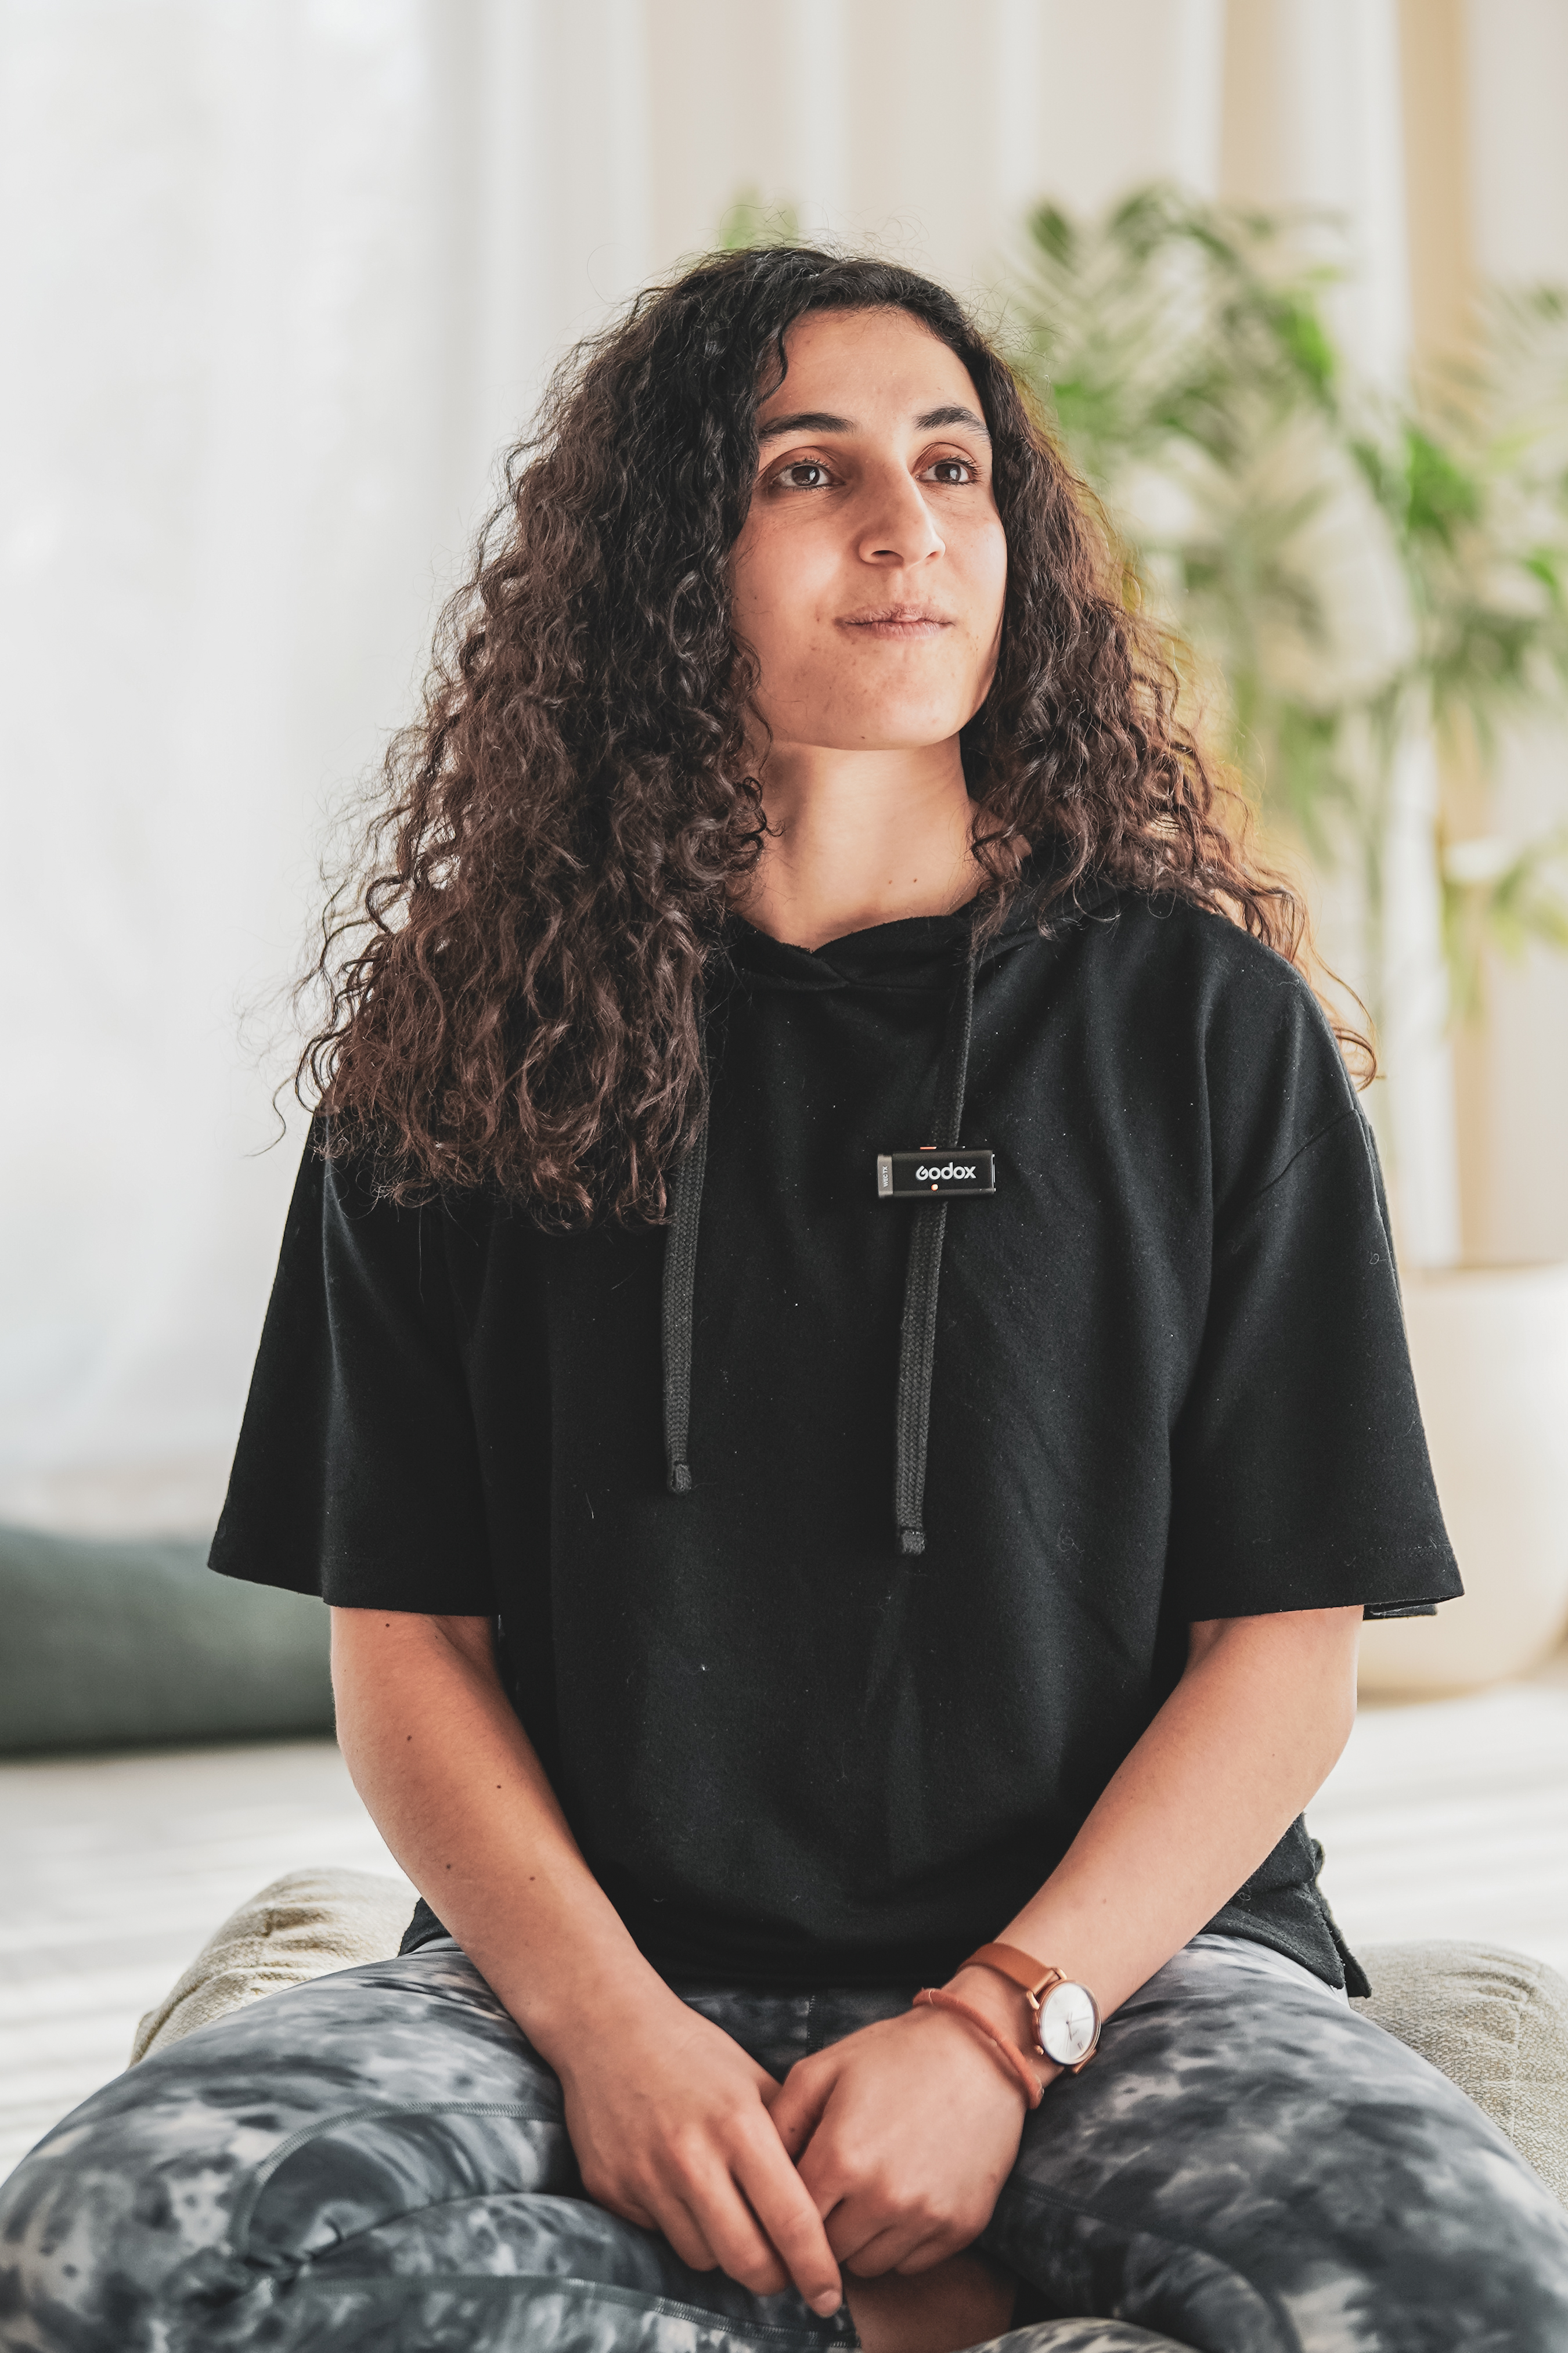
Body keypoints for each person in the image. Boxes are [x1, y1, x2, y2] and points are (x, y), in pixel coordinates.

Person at [5, 247, 1567, 2353]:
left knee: (1480, 2303)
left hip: (1110, 1989)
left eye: (953, 465)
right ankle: (933, 2315)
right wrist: (613, 2036)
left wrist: (998, 2031)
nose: (909, 526)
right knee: (98, 2249)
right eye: (808, 470)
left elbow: (1284, 1654)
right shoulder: (462, 1039)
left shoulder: (1205, 1027)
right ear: (669, 562)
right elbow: (412, 1654)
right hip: (588, 1989)